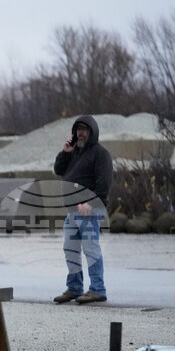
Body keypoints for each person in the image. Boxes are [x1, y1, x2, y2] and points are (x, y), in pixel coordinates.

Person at [52, 115, 113, 304]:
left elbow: (104, 184)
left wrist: (91, 203)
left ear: (92, 131)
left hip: (89, 211)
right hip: (72, 211)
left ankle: (97, 289)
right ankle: (74, 288)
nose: (81, 132)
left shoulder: (100, 153)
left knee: (90, 249)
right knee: (70, 249)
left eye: (85, 129)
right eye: (78, 129)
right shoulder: (74, 152)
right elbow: (58, 170)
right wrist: (65, 152)